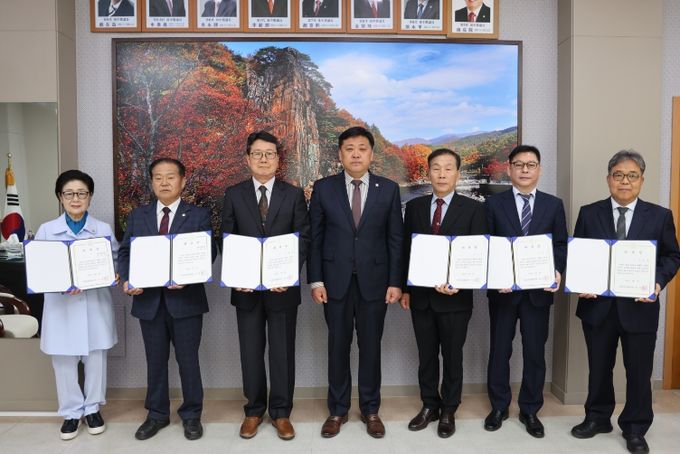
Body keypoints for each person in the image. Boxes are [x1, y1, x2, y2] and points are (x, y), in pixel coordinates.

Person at [570, 150, 680, 454]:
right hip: (597, 307)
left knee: (639, 372)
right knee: (599, 368)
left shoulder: (659, 216)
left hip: (640, 308)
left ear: (642, 180)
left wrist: (657, 282)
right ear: (608, 179)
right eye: (618, 175)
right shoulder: (589, 213)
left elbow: (672, 256)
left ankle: (635, 427)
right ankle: (597, 418)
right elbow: (579, 255)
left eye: (632, 175)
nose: (625, 181)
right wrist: (580, 281)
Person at [308, 126, 403, 439]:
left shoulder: (388, 189)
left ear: (371, 154)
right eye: (349, 148)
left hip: (376, 282)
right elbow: (315, 238)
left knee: (370, 347)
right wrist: (315, 280)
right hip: (334, 282)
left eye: (362, 148)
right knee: (337, 346)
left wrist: (395, 281)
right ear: (340, 154)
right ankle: (337, 410)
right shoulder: (324, 188)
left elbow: (395, 239)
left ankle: (371, 409)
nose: (356, 154)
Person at [221, 131, 310, 441]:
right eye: (257, 153)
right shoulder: (233, 194)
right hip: (245, 290)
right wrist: (236, 276)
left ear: (277, 159)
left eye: (269, 153)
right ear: (247, 159)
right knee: (250, 352)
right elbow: (226, 238)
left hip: (282, 289)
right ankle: (254, 411)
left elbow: (304, 238)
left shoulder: (293, 194)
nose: (263, 159)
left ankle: (281, 412)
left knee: (282, 352)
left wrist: (288, 274)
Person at [118, 158, 214, 441]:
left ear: (183, 181)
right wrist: (128, 279)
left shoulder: (198, 215)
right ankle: (156, 414)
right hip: (149, 303)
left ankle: (192, 415)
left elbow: (208, 252)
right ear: (151, 183)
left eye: (170, 176)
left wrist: (190, 276)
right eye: (158, 177)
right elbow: (125, 252)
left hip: (186, 301)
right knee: (155, 361)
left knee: (188, 361)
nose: (164, 182)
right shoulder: (138, 216)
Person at [401, 149, 487, 438]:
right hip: (421, 297)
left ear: (457, 174)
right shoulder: (414, 207)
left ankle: (449, 408)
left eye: (448, 168)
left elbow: (478, 254)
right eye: (436, 168)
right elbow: (405, 251)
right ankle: (429, 405)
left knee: (452, 356)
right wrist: (405, 288)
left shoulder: (473, 209)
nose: (441, 174)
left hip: (455, 300)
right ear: (428, 173)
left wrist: (460, 281)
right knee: (426, 356)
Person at [484, 144, 567, 438]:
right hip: (503, 293)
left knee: (534, 352)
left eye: (531, 165)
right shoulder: (493, 204)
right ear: (509, 169)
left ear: (539, 170)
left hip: (538, 293)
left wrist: (557, 270)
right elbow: (486, 246)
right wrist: (495, 276)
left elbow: (560, 244)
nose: (524, 170)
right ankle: (499, 406)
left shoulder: (553, 205)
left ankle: (530, 409)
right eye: (518, 164)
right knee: (500, 350)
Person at [36, 170, 118, 440]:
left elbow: (115, 262)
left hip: (94, 305)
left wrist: (114, 274)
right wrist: (60, 283)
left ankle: (93, 409)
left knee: (95, 360)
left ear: (90, 197)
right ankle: (71, 413)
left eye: (82, 193)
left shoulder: (102, 229)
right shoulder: (46, 230)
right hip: (61, 308)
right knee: (64, 363)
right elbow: (39, 269)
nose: (75, 199)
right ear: (60, 197)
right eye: (69, 193)